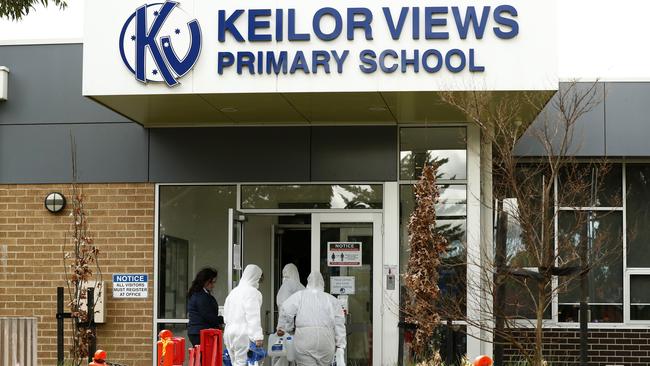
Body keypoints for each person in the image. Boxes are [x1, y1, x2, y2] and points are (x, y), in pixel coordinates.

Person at [276, 271, 346, 366]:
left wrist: (284, 328)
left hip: (304, 341)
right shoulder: (331, 299)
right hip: (325, 342)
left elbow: (285, 310)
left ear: (308, 281)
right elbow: (339, 323)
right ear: (322, 283)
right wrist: (340, 346)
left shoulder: (300, 296)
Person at [224, 264, 265, 366]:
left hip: (229, 333)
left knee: (234, 363)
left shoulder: (233, 292)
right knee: (242, 363)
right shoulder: (253, 292)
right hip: (242, 333)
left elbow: (226, 316)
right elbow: (253, 316)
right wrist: (257, 336)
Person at [273, 263, 305, 366]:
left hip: (287, 331)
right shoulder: (302, 288)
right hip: (300, 332)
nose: (284, 276)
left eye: (285, 274)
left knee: (280, 359)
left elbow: (284, 308)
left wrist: (282, 328)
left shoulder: (287, 285)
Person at [187, 267, 224, 346]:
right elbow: (207, 315)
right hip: (201, 333)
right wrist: (223, 319)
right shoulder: (201, 296)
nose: (213, 285)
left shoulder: (198, 294)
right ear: (204, 281)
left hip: (197, 332)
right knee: (206, 357)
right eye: (211, 282)